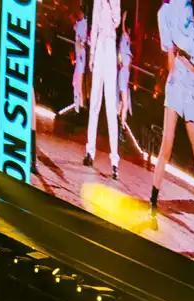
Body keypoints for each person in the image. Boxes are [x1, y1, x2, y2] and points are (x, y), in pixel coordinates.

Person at [150, 0, 194, 223]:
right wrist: (174, 60)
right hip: (176, 83)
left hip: (191, 88)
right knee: (167, 143)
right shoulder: (179, 11)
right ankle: (153, 199)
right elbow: (164, 13)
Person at [85, 0, 121, 177]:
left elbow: (117, 22)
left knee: (110, 106)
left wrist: (111, 4)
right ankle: (89, 152)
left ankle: (114, 161)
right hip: (99, 44)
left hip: (110, 45)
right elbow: (94, 25)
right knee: (94, 102)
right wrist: (91, 54)